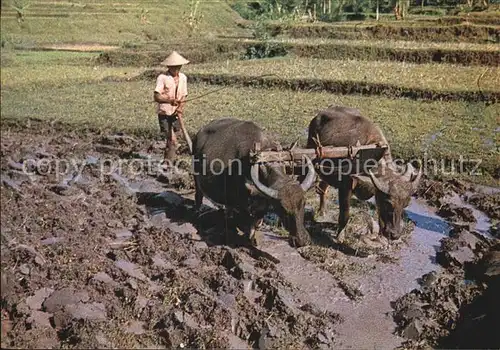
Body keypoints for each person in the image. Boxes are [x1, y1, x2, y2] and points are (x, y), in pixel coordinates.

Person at [153, 50, 189, 161]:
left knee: (173, 138)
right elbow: (157, 97)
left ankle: (169, 159)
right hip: (165, 112)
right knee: (171, 139)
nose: (176, 69)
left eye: (178, 66)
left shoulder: (183, 78)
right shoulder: (162, 78)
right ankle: (171, 160)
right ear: (168, 66)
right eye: (174, 67)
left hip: (176, 113)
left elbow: (184, 95)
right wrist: (170, 101)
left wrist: (180, 106)